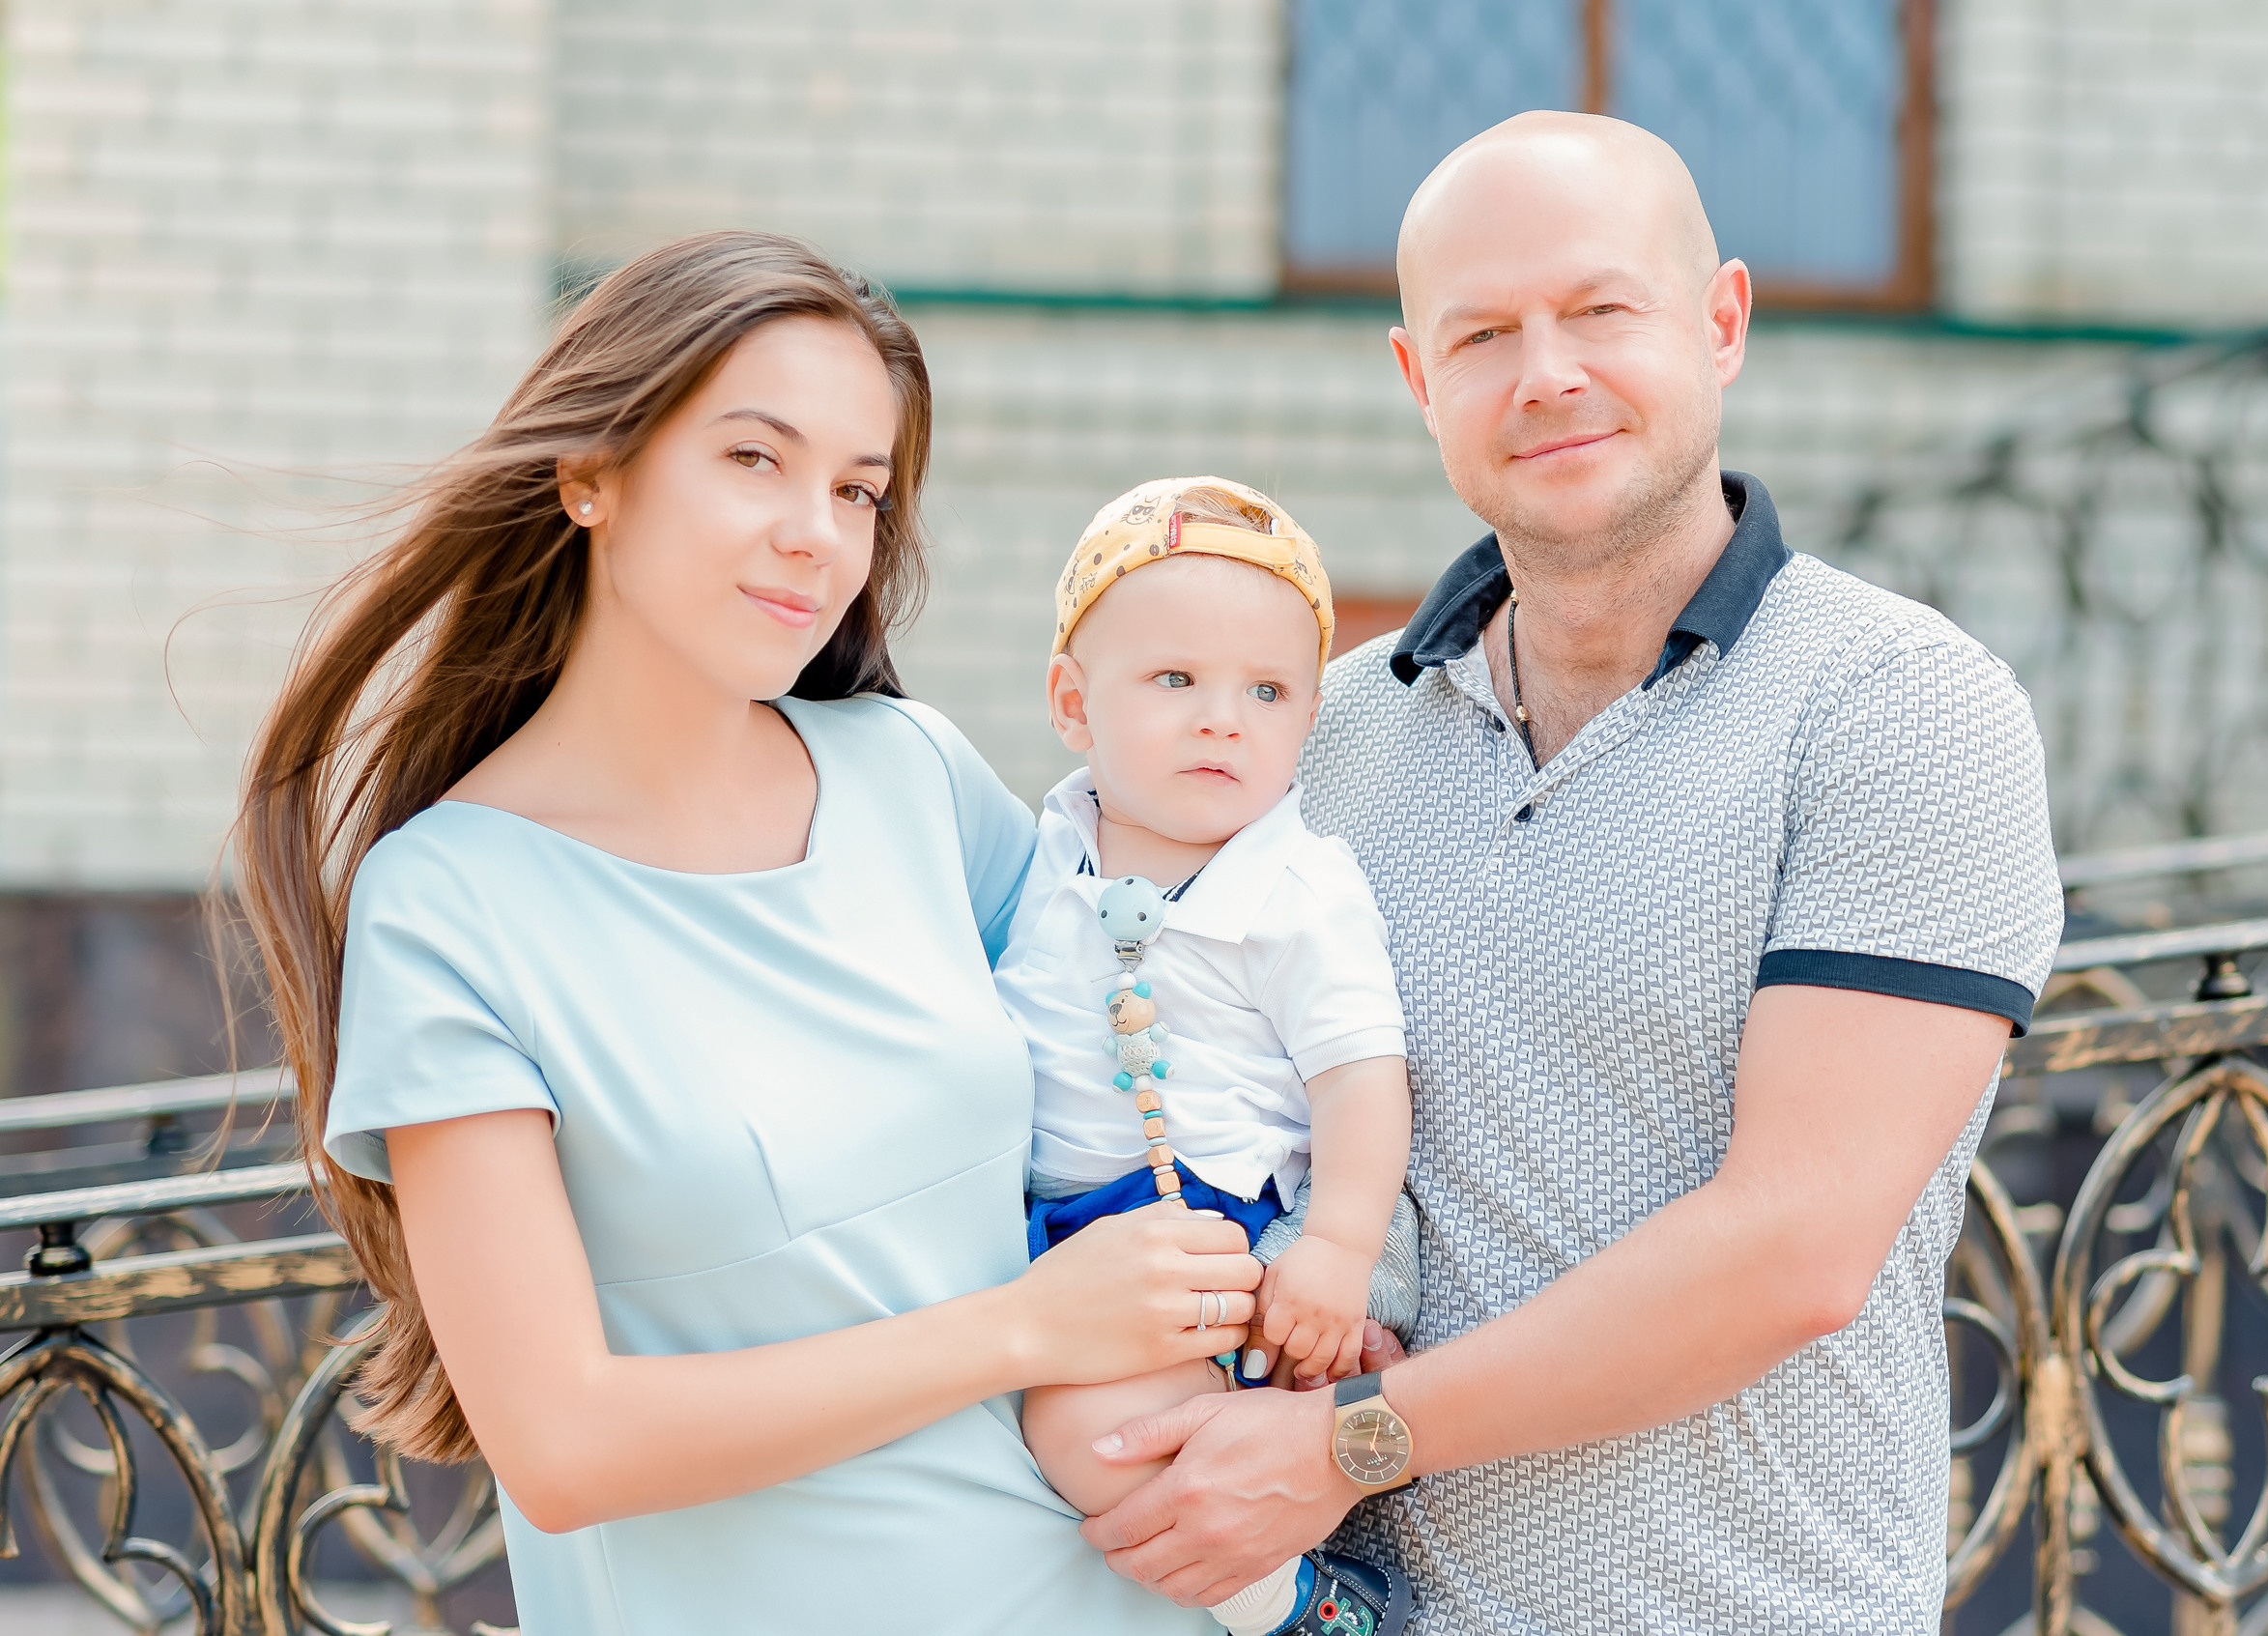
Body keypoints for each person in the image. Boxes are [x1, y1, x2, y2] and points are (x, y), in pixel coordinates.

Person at [1076, 114, 2066, 1633]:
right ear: (1420, 383)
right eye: (1482, 333)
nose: (1546, 372)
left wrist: (1342, 1447)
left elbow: (1793, 1247)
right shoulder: (1319, 738)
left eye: (1602, 310)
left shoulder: (1900, 710)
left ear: (1721, 322)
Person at [230, 232, 1260, 1635]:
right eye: (754, 460)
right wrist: (1023, 1329)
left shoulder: (914, 774)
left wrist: (1316, 1269)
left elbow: (1170, 1036)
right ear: (591, 472)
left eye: (858, 488)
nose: (818, 534)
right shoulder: (453, 904)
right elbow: (565, 1442)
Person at [1000, 476, 1421, 1636]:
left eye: (1268, 690)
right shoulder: (1041, 853)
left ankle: (1299, 1606)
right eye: (1175, 679)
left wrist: (1336, 1250)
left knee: (1096, 1432)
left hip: (1211, 1232)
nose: (1223, 717)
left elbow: (1362, 1080)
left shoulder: (1298, 888)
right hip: (1051, 1227)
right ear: (1072, 704)